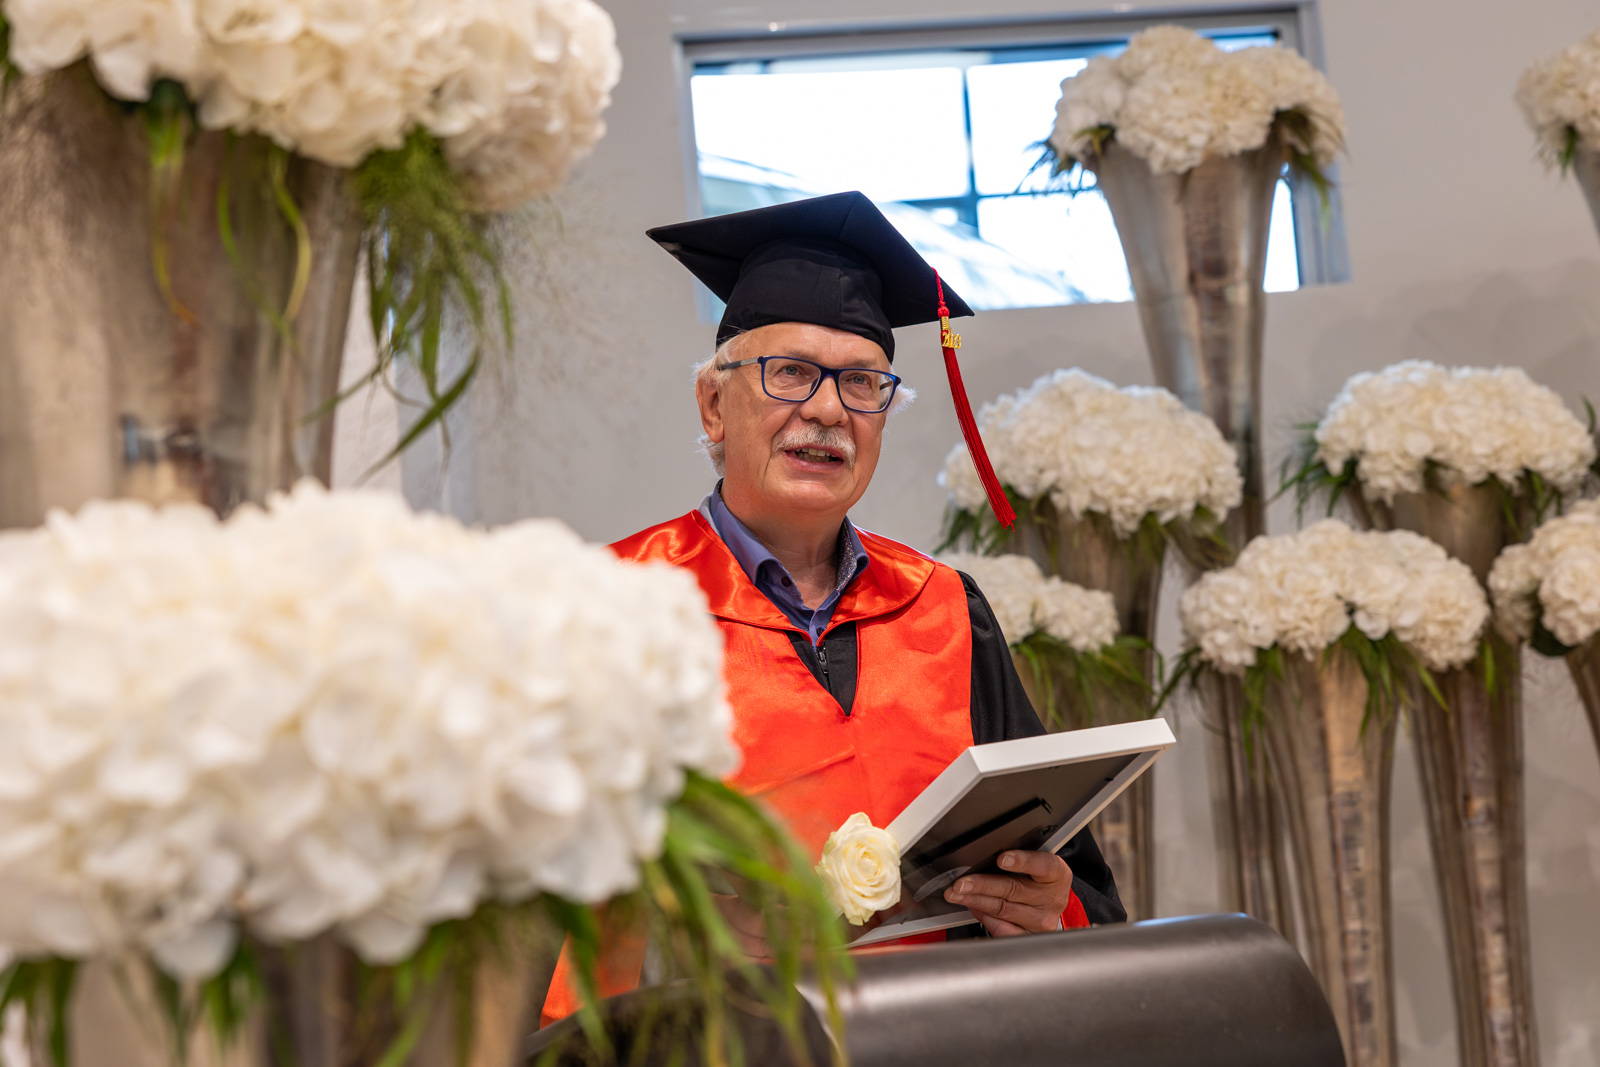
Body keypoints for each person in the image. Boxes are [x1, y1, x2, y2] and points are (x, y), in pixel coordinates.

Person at [541, 191, 1122, 1026]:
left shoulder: (945, 609)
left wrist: (1046, 908)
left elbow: (1072, 884)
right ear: (713, 405)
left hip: (941, 1037)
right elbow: (529, 901)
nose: (826, 409)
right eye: (789, 372)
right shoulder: (613, 604)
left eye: (861, 382)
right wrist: (682, 922)